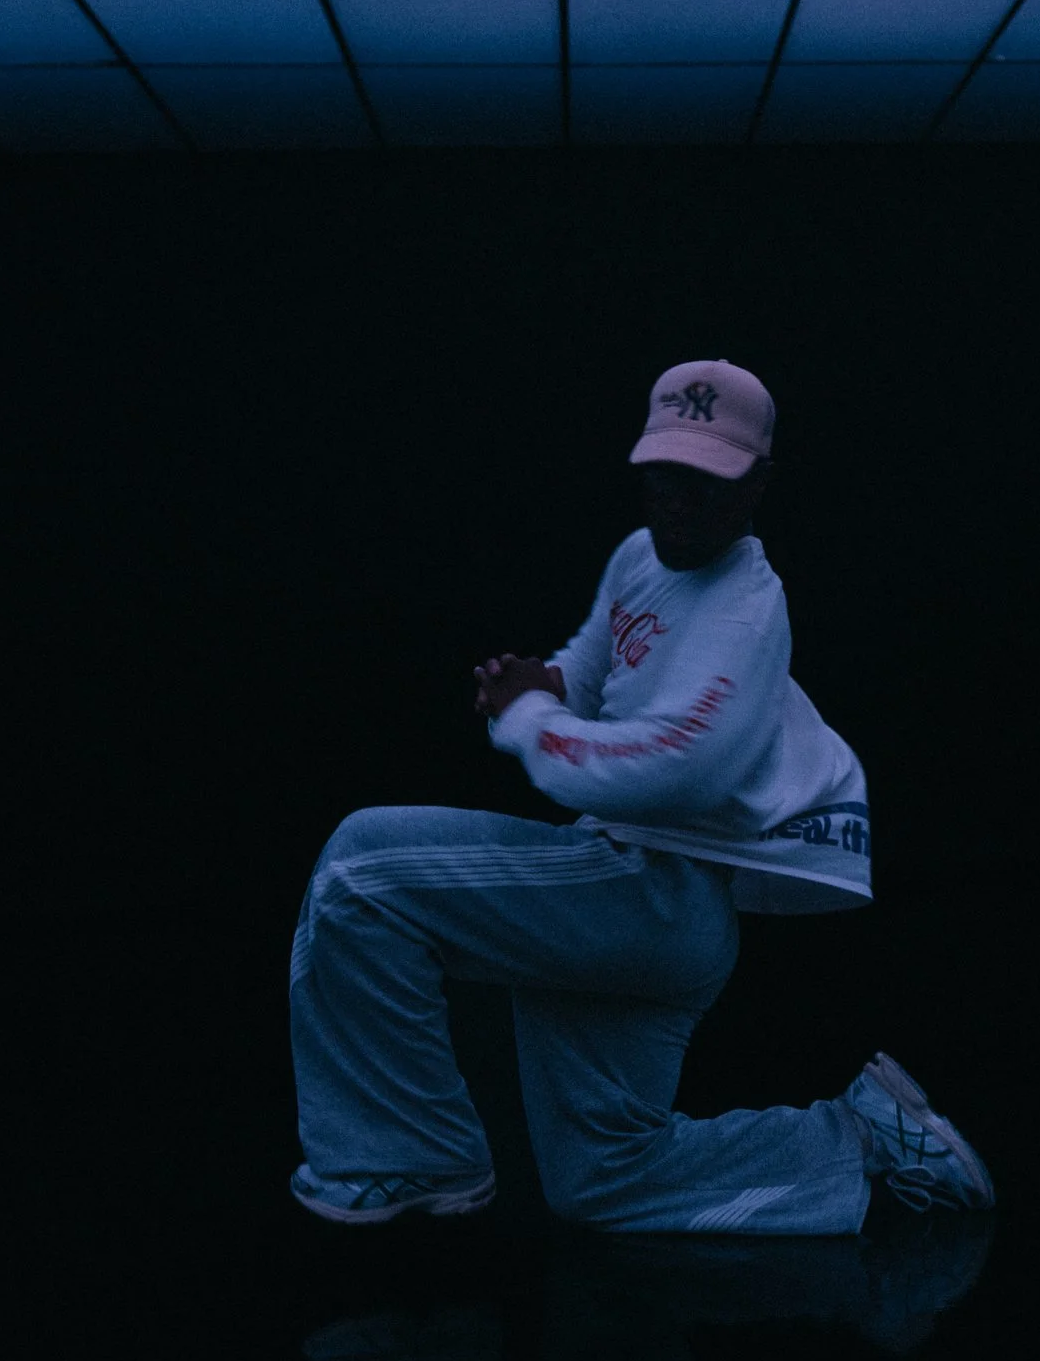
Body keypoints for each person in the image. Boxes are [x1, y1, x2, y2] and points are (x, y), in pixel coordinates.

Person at [286, 359, 993, 1233]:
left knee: (362, 868)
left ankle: (405, 1159)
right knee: (604, 1179)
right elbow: (594, 663)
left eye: (712, 479)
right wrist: (544, 678)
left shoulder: (748, 611)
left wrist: (526, 721)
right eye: (666, 471)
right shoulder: (639, 560)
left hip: (652, 891)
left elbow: (675, 767)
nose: (681, 498)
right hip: (642, 916)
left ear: (758, 486)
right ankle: (868, 1145)